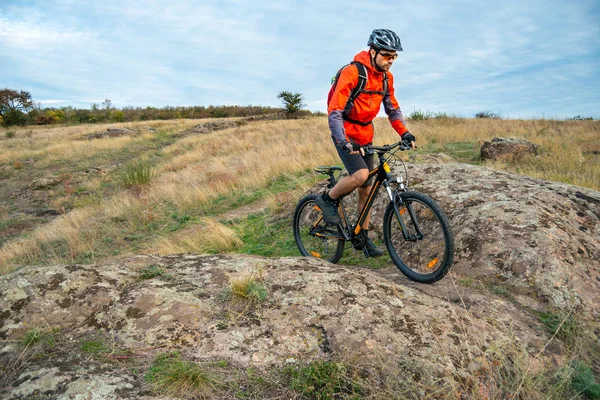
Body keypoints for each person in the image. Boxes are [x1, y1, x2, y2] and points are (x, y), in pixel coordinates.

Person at [317, 28, 416, 257]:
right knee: (361, 175)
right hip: (346, 133)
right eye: (386, 55)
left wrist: (405, 133)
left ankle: (363, 237)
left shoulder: (386, 78)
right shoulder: (353, 73)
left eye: (394, 56)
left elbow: (393, 110)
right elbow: (335, 111)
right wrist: (343, 141)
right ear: (372, 52)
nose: (390, 61)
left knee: (366, 189)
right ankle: (327, 200)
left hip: (365, 135)